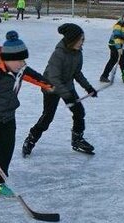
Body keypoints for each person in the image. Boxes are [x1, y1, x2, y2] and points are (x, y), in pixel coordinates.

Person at [0, 31, 54, 196]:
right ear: (7, 58)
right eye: (19, 60)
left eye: (23, 59)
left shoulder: (20, 68)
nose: (22, 63)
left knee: (5, 151)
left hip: (8, 118)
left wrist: (51, 86)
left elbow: (36, 78)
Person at [22, 23, 97, 157]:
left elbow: (77, 73)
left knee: (79, 112)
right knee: (47, 117)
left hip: (67, 86)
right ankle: (31, 139)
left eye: (83, 39)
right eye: (80, 39)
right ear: (72, 40)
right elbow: (54, 78)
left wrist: (88, 87)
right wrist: (67, 95)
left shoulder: (78, 53)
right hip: (51, 87)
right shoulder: (59, 54)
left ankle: (77, 139)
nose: (82, 42)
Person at [100, 9, 124, 84]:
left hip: (120, 45)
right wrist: (119, 48)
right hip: (114, 45)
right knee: (119, 60)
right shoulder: (118, 25)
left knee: (118, 60)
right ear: (123, 16)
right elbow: (116, 36)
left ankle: (105, 76)